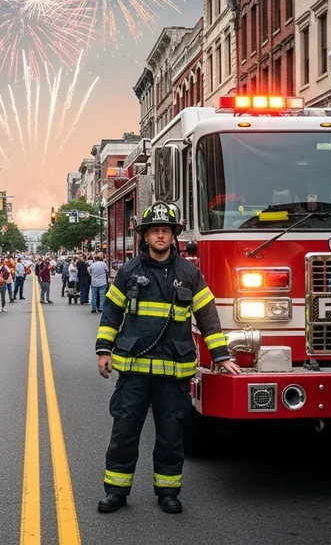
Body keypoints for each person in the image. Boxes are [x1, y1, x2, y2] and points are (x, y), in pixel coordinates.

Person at [95, 202, 240, 514]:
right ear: (145, 236)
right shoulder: (129, 272)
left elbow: (207, 317)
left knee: (171, 436)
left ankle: (168, 492)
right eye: (154, 230)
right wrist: (104, 350)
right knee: (124, 432)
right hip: (134, 370)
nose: (160, 235)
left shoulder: (190, 274)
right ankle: (116, 492)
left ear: (174, 235)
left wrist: (221, 354)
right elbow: (111, 313)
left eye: (165, 230)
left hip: (173, 374)